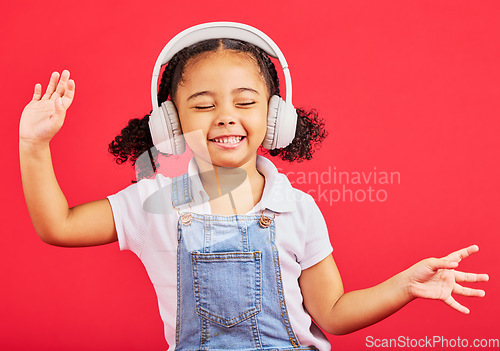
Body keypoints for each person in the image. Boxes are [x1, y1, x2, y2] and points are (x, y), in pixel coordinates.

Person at [19, 22, 488, 351]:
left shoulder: (296, 208)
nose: (225, 116)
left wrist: (404, 286)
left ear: (275, 117)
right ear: (170, 123)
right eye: (202, 105)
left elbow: (335, 313)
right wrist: (33, 146)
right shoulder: (151, 204)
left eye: (245, 101)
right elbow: (57, 225)